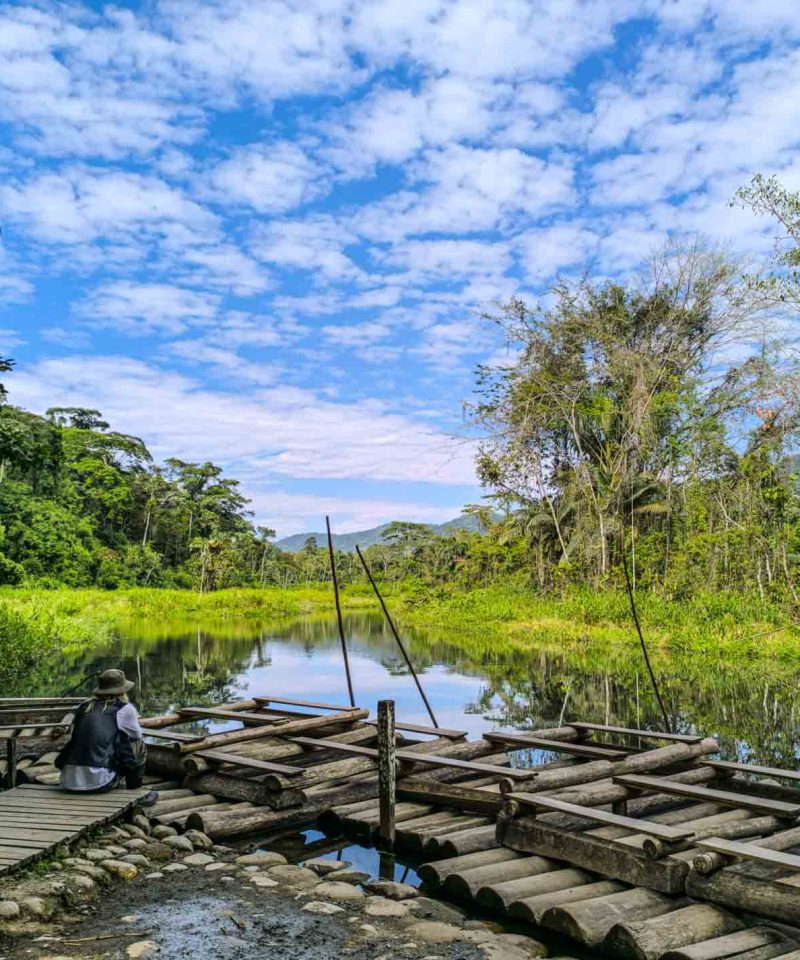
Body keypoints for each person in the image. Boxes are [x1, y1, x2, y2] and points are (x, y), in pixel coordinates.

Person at [55, 668, 157, 804]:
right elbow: (136, 734)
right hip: (99, 784)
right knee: (139, 745)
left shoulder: (84, 705)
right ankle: (135, 790)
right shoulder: (124, 709)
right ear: (122, 690)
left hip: (68, 781)